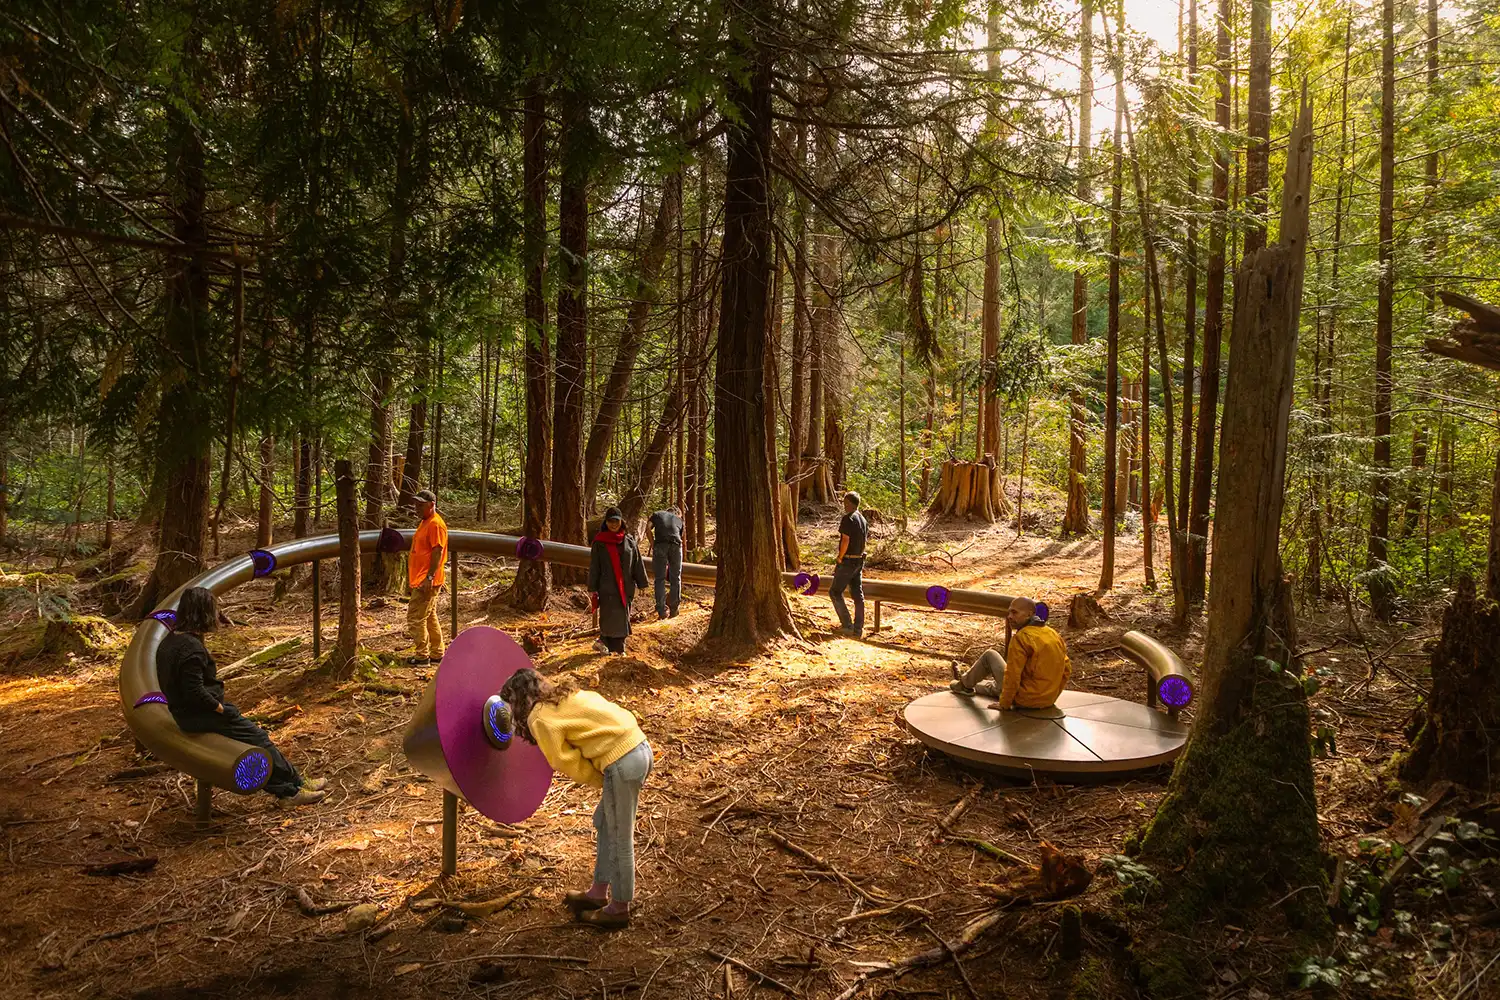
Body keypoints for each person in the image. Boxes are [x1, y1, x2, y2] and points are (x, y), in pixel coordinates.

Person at [500, 668, 652, 930]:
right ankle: (597, 892)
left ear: (518, 701)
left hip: (621, 761)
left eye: (510, 705)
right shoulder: (563, 695)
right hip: (638, 747)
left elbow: (564, 760)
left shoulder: (540, 718)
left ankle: (619, 908)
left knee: (619, 836)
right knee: (605, 823)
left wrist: (600, 780)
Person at [156, 587, 326, 806]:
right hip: (202, 715)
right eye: (213, 609)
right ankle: (292, 790)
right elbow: (194, 690)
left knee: (254, 745)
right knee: (259, 740)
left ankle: (294, 784)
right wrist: (219, 709)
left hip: (183, 713)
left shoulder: (169, 642)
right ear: (203, 612)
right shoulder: (191, 648)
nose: (217, 614)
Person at [950, 597, 1072, 710]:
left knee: (990, 655)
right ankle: (966, 680)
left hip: (1023, 699)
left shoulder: (1022, 638)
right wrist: (1051, 697)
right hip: (1047, 700)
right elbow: (1066, 669)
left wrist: (1005, 704)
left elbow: (1013, 675)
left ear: (1029, 614)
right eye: (1009, 613)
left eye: (1014, 613)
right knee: (994, 686)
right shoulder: (1053, 634)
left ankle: (964, 683)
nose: (1009, 617)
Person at [590, 507, 649, 654]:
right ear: (606, 522)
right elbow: (594, 566)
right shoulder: (599, 542)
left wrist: (642, 583)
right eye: (610, 521)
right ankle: (604, 642)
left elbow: (637, 563)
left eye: (616, 521)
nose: (613, 524)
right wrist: (592, 586)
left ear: (621, 521)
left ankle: (619, 648)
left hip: (626, 587)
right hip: (607, 587)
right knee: (608, 616)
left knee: (623, 616)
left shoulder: (629, 542)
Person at [407, 489, 448, 665]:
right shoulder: (425, 522)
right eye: (416, 504)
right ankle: (437, 653)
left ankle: (421, 656)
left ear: (432, 505)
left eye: (421, 505)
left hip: (427, 580)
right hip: (421, 578)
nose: (417, 508)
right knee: (429, 616)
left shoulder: (435, 524)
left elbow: (437, 551)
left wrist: (429, 577)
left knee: (415, 617)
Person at [830, 491, 868, 637]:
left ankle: (847, 625)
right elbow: (864, 541)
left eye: (845, 502)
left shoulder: (848, 518)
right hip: (859, 560)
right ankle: (858, 628)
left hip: (848, 561)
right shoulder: (863, 519)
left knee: (835, 592)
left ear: (849, 503)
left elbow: (845, 540)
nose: (844, 505)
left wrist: (840, 557)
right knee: (858, 594)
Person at [647, 506, 684, 619]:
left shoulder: (657, 514)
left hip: (660, 545)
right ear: (678, 514)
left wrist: (653, 543)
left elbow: (648, 528)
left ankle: (662, 611)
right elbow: (680, 538)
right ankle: (674, 610)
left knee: (659, 579)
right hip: (676, 546)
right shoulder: (679, 521)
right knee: (676, 578)